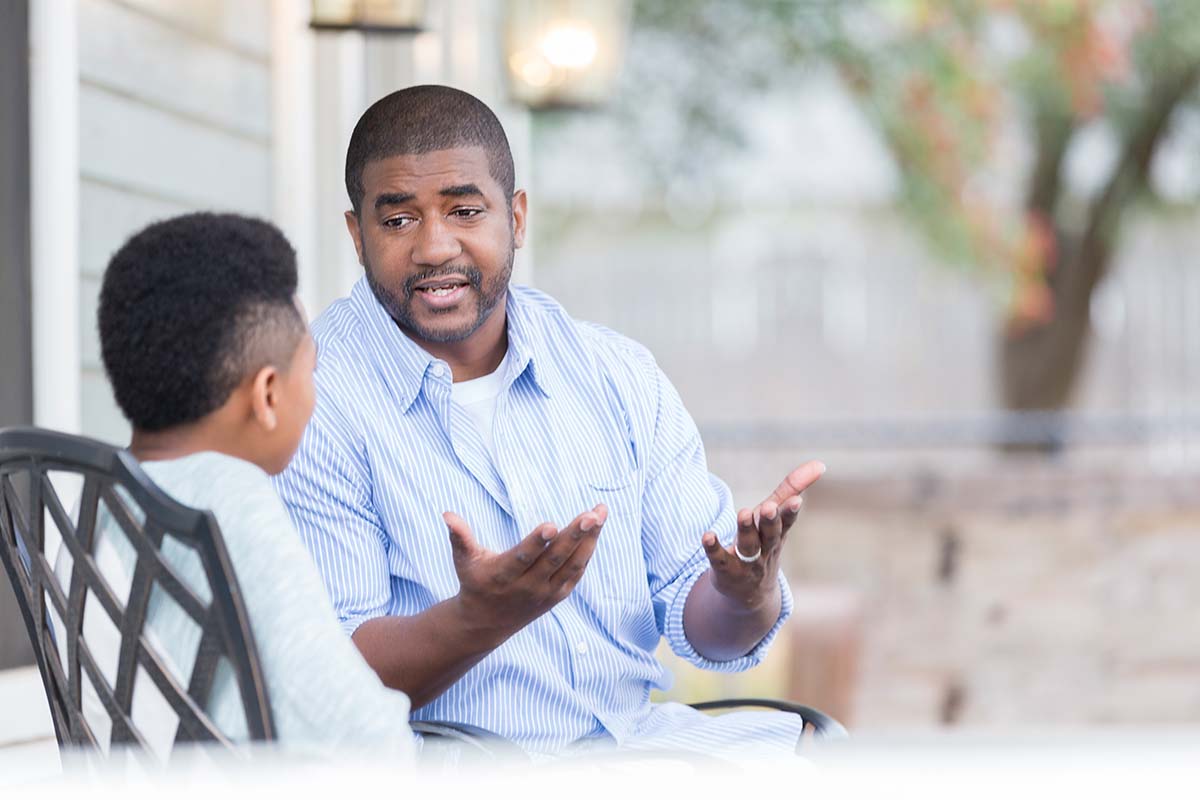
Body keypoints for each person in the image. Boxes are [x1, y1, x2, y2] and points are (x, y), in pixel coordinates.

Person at [274, 86, 825, 758]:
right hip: (460, 767)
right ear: (357, 236)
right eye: (397, 222)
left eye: (465, 211)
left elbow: (708, 629)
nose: (433, 247)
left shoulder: (617, 376)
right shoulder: (314, 400)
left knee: (841, 762)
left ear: (518, 217)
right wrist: (479, 620)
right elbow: (334, 685)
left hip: (635, 748)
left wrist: (746, 594)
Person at [81, 212, 415, 760]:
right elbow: (368, 744)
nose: (314, 398)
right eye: (310, 373)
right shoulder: (231, 505)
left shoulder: (90, 500)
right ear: (266, 396)